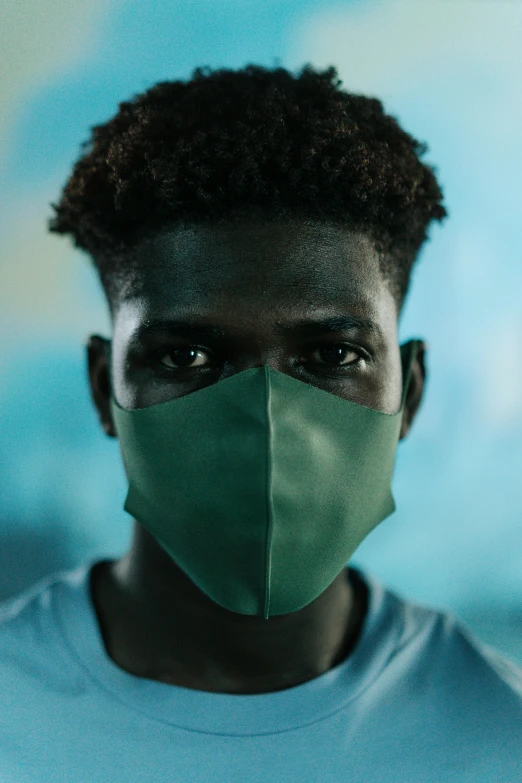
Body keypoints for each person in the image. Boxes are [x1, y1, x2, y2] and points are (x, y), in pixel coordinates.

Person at [0, 63, 520, 782]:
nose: (266, 418)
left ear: (413, 392)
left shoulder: (502, 734)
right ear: (103, 388)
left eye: (332, 354)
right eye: (186, 355)